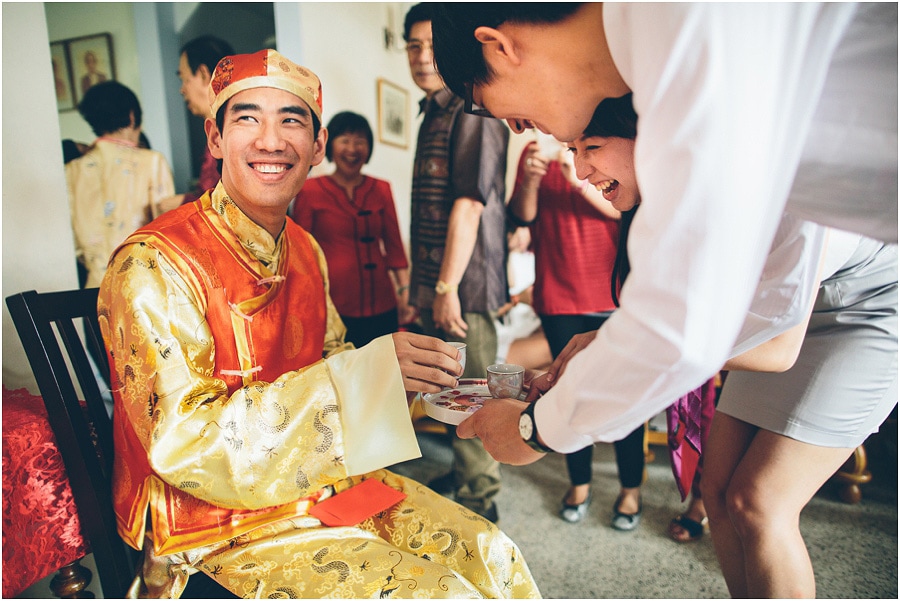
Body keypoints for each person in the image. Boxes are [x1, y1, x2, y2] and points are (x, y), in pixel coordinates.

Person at [97, 49, 540, 599]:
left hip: (320, 483)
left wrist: (430, 388)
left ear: (317, 147)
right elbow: (184, 444)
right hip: (210, 523)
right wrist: (364, 375)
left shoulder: (305, 249)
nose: (270, 140)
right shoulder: (154, 262)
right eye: (247, 119)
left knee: (491, 551)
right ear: (214, 139)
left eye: (291, 121)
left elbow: (332, 357)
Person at [429, 3, 897, 465]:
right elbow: (762, 310)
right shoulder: (658, 70)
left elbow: (684, 326)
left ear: (498, 47)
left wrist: (534, 430)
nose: (514, 125)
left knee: (758, 502)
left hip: (874, 275)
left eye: (485, 103)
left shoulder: (681, 25)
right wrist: (609, 346)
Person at [568, 97, 897, 592]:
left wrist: (617, 350)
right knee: (717, 491)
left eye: (591, 147)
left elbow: (775, 350)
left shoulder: (757, 173)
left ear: (655, 136)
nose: (579, 170)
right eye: (573, 149)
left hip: (866, 312)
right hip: (780, 314)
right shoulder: (671, 204)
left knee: (759, 502)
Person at [403, 3, 511, 522]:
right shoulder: (433, 110)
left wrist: (446, 287)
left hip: (464, 284)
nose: (423, 58)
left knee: (473, 391)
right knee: (446, 387)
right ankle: (466, 474)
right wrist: (420, 289)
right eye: (413, 46)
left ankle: (481, 495)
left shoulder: (473, 107)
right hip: (437, 282)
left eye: (432, 46)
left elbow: (469, 203)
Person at [507, 134, 645, 528]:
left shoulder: (600, 152)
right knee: (568, 391)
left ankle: (630, 488)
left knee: (625, 395)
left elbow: (623, 212)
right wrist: (531, 182)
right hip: (557, 295)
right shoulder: (533, 152)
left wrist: (574, 178)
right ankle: (580, 483)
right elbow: (523, 215)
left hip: (610, 291)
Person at [290, 111, 414, 346]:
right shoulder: (310, 190)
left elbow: (395, 247)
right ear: (329, 145)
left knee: (383, 370)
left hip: (382, 302)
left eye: (360, 141)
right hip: (333, 304)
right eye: (344, 140)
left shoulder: (382, 189)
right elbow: (301, 252)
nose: (352, 149)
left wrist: (405, 291)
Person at [66, 81, 175, 289]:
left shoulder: (73, 170)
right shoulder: (152, 162)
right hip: (143, 287)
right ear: (133, 116)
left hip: (93, 289)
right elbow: (167, 231)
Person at [174, 35, 235, 205]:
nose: (182, 90)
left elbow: (226, 204)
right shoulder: (219, 127)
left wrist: (182, 201)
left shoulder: (230, 131)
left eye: (184, 79)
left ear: (203, 74)